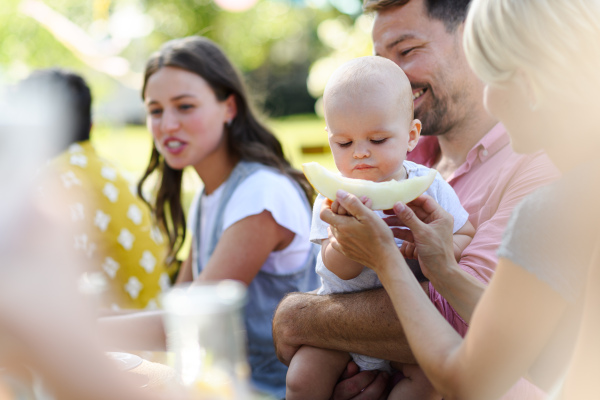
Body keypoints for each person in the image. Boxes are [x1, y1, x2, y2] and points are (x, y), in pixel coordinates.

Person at [272, 0, 560, 398]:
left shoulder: (540, 167)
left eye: (407, 51)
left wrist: (297, 318)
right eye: (380, 58)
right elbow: (330, 273)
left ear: (471, 39)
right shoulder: (393, 158)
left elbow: (464, 325)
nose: (393, 74)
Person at [139, 35, 318, 399]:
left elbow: (186, 323)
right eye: (155, 110)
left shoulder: (260, 194)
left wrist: (71, 331)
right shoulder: (208, 197)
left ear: (229, 107)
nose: (167, 124)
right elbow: (180, 303)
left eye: (184, 106)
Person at [286, 56, 474, 400]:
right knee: (302, 378)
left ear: (411, 136)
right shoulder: (332, 196)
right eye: (344, 143)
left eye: (377, 140)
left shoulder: (430, 188)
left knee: (428, 384)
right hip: (340, 323)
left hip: (406, 325)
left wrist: (445, 248)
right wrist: (343, 244)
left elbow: (465, 232)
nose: (360, 154)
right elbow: (335, 271)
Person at [22, 68, 174, 310]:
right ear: (91, 125)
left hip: (120, 338)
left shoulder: (52, 181)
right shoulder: (109, 170)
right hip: (156, 324)